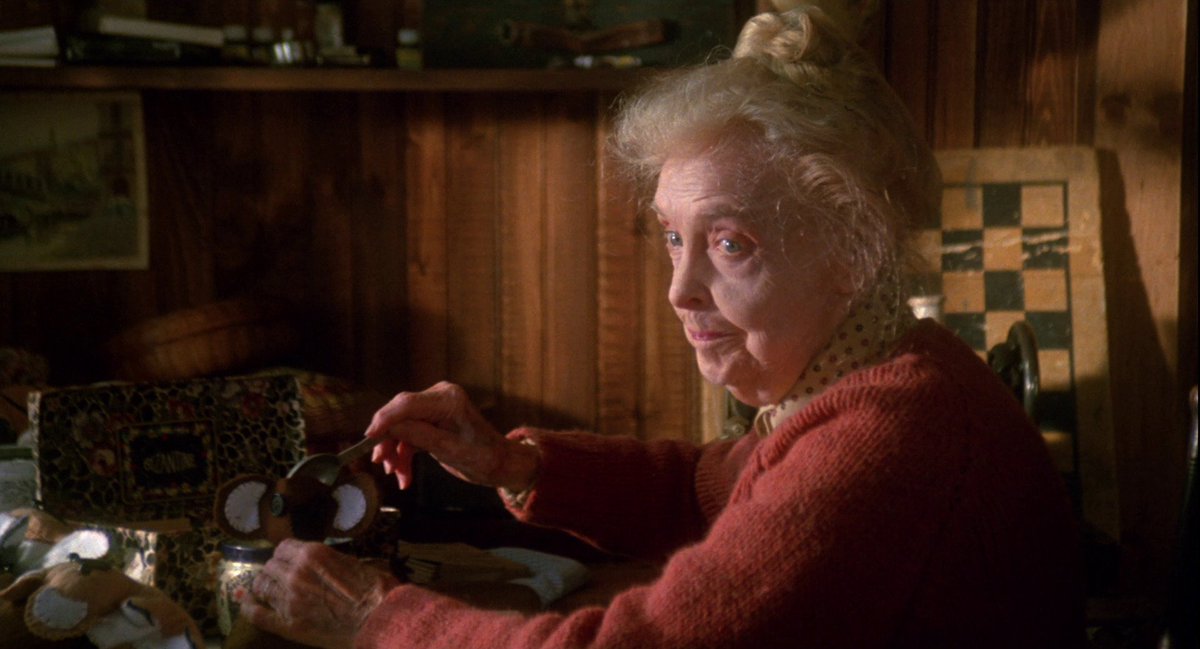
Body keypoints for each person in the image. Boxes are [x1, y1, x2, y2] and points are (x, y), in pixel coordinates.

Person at [238, 4, 1087, 648]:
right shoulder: (884, 373)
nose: (681, 289)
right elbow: (708, 490)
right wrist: (509, 462)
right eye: (674, 238)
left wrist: (373, 615)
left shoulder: (885, 442)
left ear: (852, 250)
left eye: (730, 243)